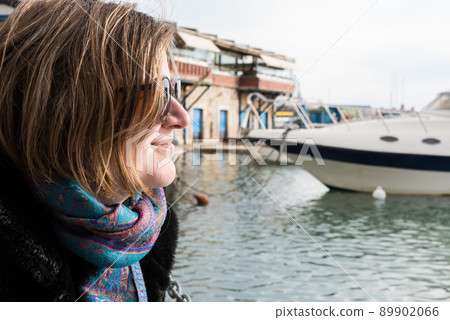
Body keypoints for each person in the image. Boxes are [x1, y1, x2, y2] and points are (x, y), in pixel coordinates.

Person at [0, 0, 190, 301]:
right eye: (152, 95)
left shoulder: (149, 234)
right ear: (64, 111)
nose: (182, 118)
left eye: (173, 89)